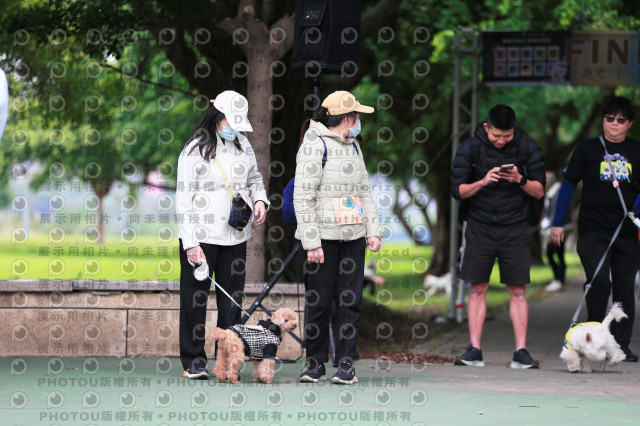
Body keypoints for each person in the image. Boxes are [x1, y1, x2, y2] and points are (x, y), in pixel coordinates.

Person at [176, 90, 269, 379]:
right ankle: (193, 361)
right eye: (231, 122)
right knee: (195, 301)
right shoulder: (195, 149)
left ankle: (228, 362)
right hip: (201, 238)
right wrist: (190, 243)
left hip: (235, 236)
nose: (235, 128)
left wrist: (260, 200)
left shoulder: (243, 144)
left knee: (231, 303)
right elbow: (183, 199)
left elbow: (255, 178)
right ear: (218, 117)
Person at [294, 90, 382, 384]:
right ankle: (315, 363)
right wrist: (312, 243)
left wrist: (373, 231)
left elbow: (365, 191)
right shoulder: (314, 145)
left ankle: (346, 363)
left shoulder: (354, 147)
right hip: (322, 240)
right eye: (357, 117)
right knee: (319, 303)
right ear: (347, 118)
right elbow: (302, 198)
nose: (359, 123)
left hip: (353, 238)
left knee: (350, 302)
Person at [450, 104, 545, 369]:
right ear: (486, 127)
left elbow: (539, 191)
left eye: (506, 136)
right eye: (496, 136)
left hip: (515, 227)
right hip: (480, 226)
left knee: (518, 290)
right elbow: (457, 190)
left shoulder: (528, 147)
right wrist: (482, 181)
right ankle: (474, 350)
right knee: (478, 287)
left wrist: (519, 179)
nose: (501, 141)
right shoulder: (470, 148)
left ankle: (521, 352)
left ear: (514, 128)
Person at [550, 96, 640, 363]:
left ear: (629, 123)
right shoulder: (587, 149)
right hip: (593, 230)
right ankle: (594, 338)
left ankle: (620, 347)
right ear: (603, 120)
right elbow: (568, 184)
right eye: (609, 118)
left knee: (624, 288)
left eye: (621, 120)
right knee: (599, 282)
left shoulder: (637, 150)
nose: (614, 123)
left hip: (626, 231)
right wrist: (557, 222)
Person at [541, 179, 570, 292]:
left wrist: (550, 229)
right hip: (556, 228)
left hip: (559, 229)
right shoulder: (552, 194)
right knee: (555, 254)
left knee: (555, 254)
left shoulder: (557, 194)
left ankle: (559, 280)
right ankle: (558, 280)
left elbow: (555, 213)